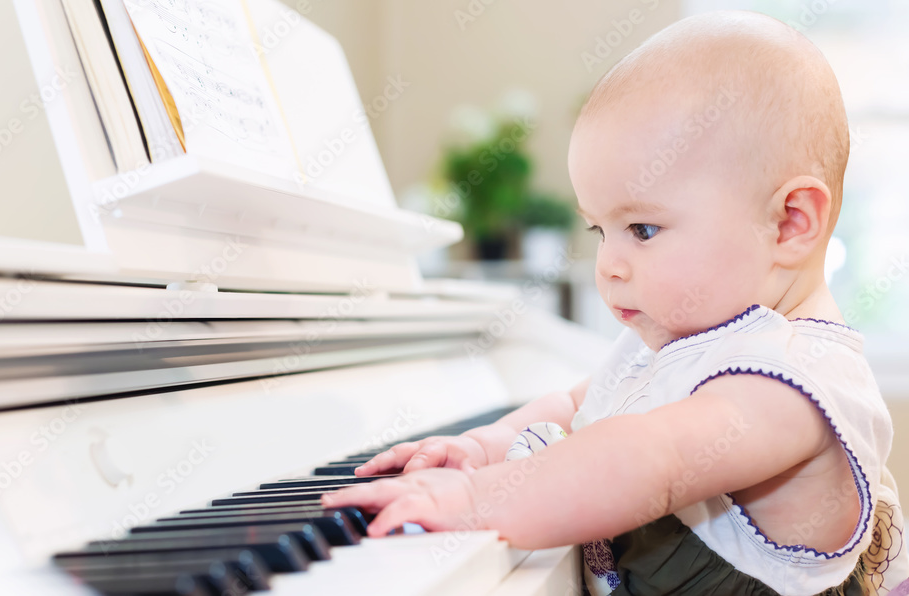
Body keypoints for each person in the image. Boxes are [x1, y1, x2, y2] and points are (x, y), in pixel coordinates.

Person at [324, 10, 908, 595]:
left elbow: (651, 460)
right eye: (598, 231)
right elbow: (570, 404)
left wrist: (479, 500)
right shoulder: (684, 342)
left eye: (643, 229)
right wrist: (479, 449)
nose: (609, 264)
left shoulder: (795, 382)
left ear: (789, 223)